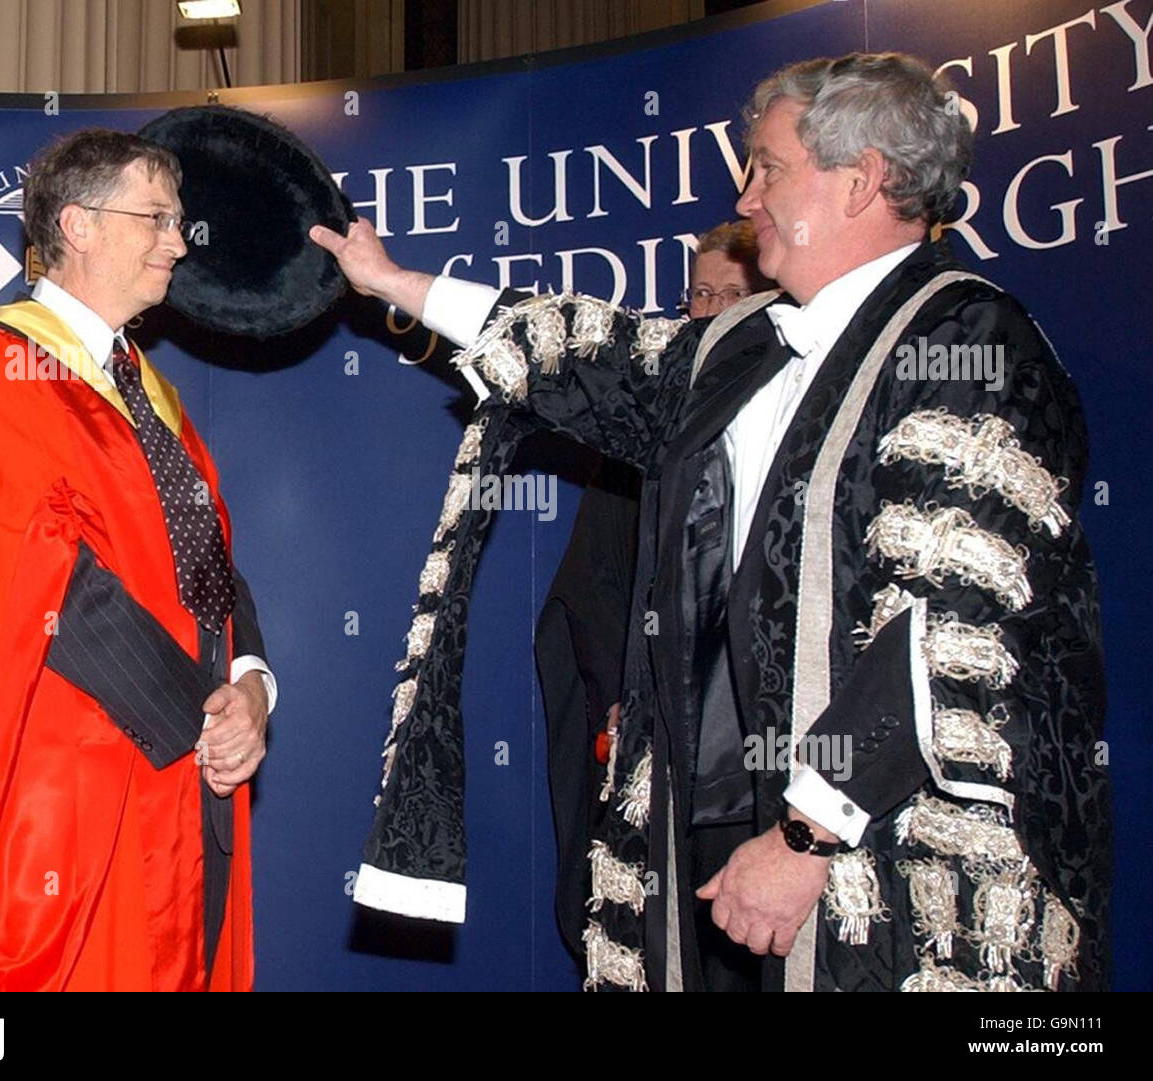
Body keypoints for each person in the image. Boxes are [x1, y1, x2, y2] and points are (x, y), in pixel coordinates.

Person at [314, 52, 1109, 992]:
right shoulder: (744, 345)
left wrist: (809, 832)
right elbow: (585, 353)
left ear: (860, 182)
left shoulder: (971, 341)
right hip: (713, 820)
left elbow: (945, 629)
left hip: (875, 854)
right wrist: (393, 280)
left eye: (767, 167)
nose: (746, 193)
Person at [0, 130, 275, 991]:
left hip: (186, 787)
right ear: (79, 224)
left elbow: (213, 562)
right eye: (157, 218)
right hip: (73, 797)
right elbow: (39, 570)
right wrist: (199, 714)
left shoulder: (151, 391)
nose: (179, 240)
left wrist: (249, 683)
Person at [536, 222, 771, 973]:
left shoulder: (789, 418)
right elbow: (589, 581)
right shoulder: (646, 424)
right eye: (699, 293)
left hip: (751, 750)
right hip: (640, 729)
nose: (708, 310)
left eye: (730, 295)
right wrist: (624, 693)